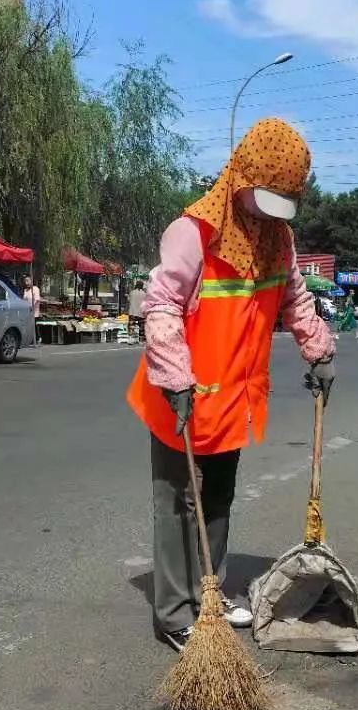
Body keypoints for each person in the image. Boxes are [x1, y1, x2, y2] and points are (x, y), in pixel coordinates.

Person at [127, 118, 336, 652]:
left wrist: (318, 349)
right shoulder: (193, 233)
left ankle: (210, 594)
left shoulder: (278, 239)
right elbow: (162, 306)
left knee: (217, 497)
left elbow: (294, 299)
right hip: (181, 393)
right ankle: (174, 613)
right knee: (177, 501)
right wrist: (175, 378)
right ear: (240, 175)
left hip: (234, 397)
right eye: (264, 196)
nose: (268, 211)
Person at [22, 273, 42, 342]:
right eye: (25, 281)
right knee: (28, 325)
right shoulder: (25, 290)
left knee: (34, 325)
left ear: (31, 280)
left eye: (27, 280)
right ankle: (29, 338)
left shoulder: (35, 289)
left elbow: (36, 299)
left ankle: (37, 338)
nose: (26, 282)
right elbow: (24, 299)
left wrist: (32, 306)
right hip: (27, 311)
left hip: (34, 311)